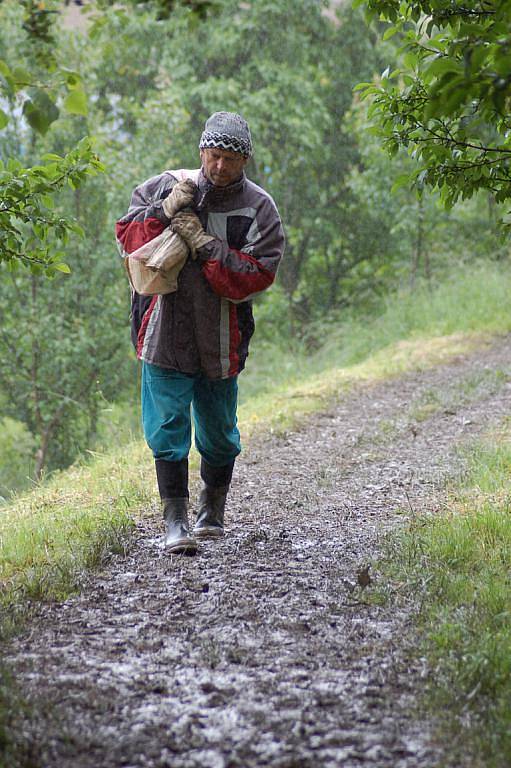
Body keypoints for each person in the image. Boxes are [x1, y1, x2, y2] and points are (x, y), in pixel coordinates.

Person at [116, 111, 285, 555]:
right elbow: (128, 243)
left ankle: (213, 510)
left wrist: (206, 245)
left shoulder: (259, 208)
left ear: (245, 159)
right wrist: (162, 210)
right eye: (214, 156)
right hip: (162, 331)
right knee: (167, 425)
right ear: (201, 152)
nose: (220, 166)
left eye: (230, 158)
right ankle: (175, 522)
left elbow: (257, 274)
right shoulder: (164, 185)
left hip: (221, 336)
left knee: (219, 431)